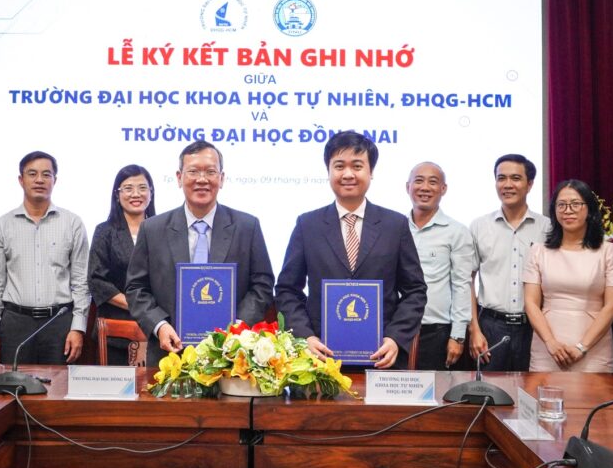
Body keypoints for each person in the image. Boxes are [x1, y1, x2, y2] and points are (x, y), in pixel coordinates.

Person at [275, 131, 426, 369]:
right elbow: (286, 289)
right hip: (320, 358)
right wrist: (305, 337)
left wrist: (395, 338)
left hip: (381, 358)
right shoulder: (308, 225)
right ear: (328, 171)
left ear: (371, 171)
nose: (348, 174)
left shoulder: (395, 225)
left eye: (357, 166)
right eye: (339, 166)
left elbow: (415, 290)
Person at [126, 140, 274, 366]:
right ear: (179, 177)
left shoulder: (247, 226)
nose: (202, 179)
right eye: (193, 171)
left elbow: (262, 285)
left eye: (210, 172)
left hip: (232, 357)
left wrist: (238, 327)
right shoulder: (153, 229)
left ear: (221, 178)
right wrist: (160, 325)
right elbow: (136, 288)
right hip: (170, 355)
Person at [0, 151, 91, 367]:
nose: (39, 180)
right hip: (15, 323)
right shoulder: (2, 225)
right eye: (32, 174)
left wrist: (77, 327)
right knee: (13, 391)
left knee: (58, 394)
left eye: (46, 174)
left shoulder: (73, 223)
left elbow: (81, 282)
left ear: (55, 180)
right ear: (21, 180)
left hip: (59, 322)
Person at [524, 179, 613, 372]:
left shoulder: (611, 252)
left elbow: (612, 306)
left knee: (592, 401)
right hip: (547, 348)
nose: (568, 210)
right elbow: (531, 303)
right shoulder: (538, 251)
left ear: (589, 209)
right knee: (544, 400)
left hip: (594, 348)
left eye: (576, 204)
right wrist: (550, 342)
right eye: (561, 205)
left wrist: (582, 346)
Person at [468, 154, 551, 371]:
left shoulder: (547, 228)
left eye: (515, 178)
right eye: (501, 178)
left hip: (534, 326)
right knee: (489, 396)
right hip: (490, 325)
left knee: (532, 393)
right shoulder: (479, 226)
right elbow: (468, 279)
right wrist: (474, 329)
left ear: (530, 184)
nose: (507, 185)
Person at [406, 162, 473, 370]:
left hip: (437, 333)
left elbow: (462, 284)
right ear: (407, 186)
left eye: (433, 182)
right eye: (419, 181)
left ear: (443, 189)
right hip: (397, 331)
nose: (425, 187)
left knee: (434, 398)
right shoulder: (394, 227)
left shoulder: (456, 231)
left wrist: (458, 336)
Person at [89, 165, 156, 365]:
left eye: (142, 188)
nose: (136, 194)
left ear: (151, 193)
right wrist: (136, 304)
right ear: (117, 195)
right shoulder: (105, 231)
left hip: (157, 328)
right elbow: (96, 280)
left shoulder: (163, 230)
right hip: (116, 330)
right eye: (128, 188)